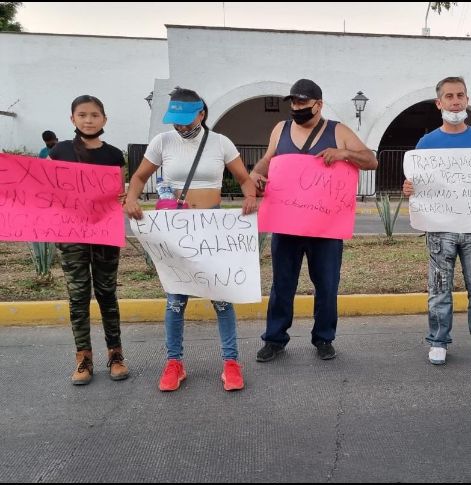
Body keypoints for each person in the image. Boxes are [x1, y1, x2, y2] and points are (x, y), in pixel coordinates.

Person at [123, 87, 258, 392]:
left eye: (186, 120)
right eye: (176, 120)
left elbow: (244, 179)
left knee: (222, 298)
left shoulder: (220, 143)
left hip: (211, 230)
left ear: (201, 114)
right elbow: (140, 177)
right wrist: (131, 199)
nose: (180, 126)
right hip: (176, 231)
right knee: (175, 300)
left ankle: (231, 362)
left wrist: (250, 195)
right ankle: (174, 362)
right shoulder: (162, 142)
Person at [250, 79, 378, 362]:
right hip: (286, 223)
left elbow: (371, 160)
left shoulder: (337, 131)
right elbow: (268, 159)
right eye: (294, 102)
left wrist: (344, 153)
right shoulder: (281, 129)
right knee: (282, 284)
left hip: (325, 226)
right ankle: (274, 339)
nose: (297, 108)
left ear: (318, 104)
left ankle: (324, 338)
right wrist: (256, 173)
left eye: (303, 102)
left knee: (327, 284)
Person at [402, 76, 471, 366]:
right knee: (439, 289)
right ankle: (438, 342)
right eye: (449, 96)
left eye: (460, 95)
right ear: (439, 103)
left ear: (467, 100)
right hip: (440, 230)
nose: (455, 101)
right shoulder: (426, 143)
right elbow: (418, 184)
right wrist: (409, 188)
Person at [48, 96, 128, 385]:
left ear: (104, 119)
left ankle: (116, 355)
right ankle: (83, 358)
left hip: (104, 233)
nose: (89, 120)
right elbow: (49, 190)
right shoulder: (59, 151)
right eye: (82, 115)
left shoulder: (114, 155)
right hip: (70, 234)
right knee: (78, 296)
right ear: (73, 119)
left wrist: (122, 199)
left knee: (107, 293)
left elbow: (119, 192)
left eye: (95, 115)